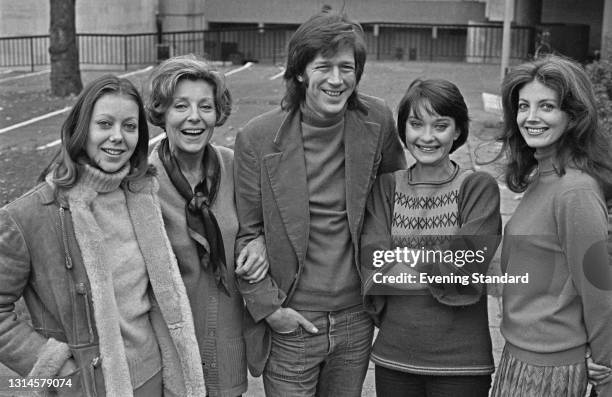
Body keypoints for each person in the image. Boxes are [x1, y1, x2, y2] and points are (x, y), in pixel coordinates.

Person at [233, 11, 407, 397]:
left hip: (355, 319)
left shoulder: (377, 120)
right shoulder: (257, 138)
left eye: (347, 67)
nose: (336, 79)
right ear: (299, 72)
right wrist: (271, 311)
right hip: (294, 322)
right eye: (323, 66)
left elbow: (397, 200)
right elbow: (247, 232)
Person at [0, 75, 205, 396]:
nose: (117, 137)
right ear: (82, 129)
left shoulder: (142, 196)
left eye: (129, 126)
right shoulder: (28, 215)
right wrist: (58, 368)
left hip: (154, 377)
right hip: (85, 386)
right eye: (105, 124)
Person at [360, 78, 501, 397]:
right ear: (403, 129)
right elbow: (374, 265)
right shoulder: (386, 188)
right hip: (394, 358)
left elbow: (465, 268)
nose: (426, 137)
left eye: (440, 125)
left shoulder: (477, 188)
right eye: (415, 124)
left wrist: (404, 263)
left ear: (458, 131)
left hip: (462, 364)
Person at [146, 54, 268, 397]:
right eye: (180, 106)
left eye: (205, 106)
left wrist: (259, 243)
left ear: (218, 113)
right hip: (166, 356)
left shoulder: (236, 167)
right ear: (162, 113)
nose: (194, 118)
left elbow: (262, 225)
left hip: (226, 347)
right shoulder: (140, 182)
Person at [491, 54, 612, 397]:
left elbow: (598, 289)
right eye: (523, 106)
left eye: (546, 106)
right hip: (519, 358)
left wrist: (606, 373)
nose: (531, 118)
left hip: (550, 369)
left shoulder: (575, 191)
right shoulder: (542, 178)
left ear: (573, 116)